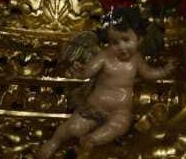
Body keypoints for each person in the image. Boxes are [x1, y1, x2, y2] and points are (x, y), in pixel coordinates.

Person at [35, 8, 173, 158]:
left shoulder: (137, 60)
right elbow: (88, 71)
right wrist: (81, 72)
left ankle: (92, 140)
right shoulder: (104, 57)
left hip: (120, 110)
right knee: (74, 127)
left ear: (139, 39)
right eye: (114, 42)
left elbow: (149, 73)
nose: (121, 46)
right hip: (95, 106)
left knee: (120, 125)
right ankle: (53, 142)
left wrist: (165, 70)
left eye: (126, 40)